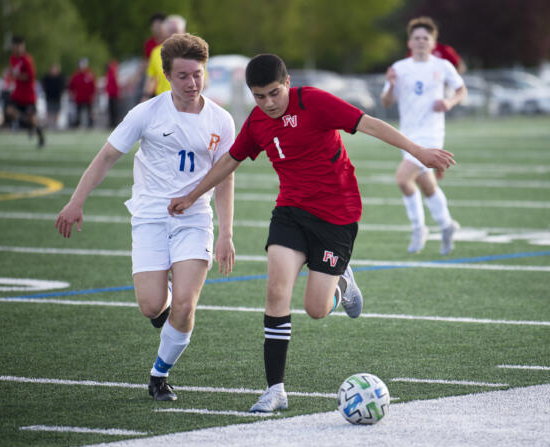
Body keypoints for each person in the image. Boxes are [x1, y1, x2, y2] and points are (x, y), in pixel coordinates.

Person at [167, 53, 455, 412]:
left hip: (338, 213)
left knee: (316, 309)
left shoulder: (313, 101)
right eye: (259, 96)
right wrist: (193, 195)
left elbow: (369, 124)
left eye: (274, 93)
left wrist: (418, 151)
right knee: (276, 292)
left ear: (287, 83)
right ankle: (275, 390)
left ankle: (341, 283)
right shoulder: (257, 122)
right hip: (291, 212)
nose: (268, 103)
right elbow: (230, 161)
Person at [55, 33, 236, 402]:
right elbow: (106, 156)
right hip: (150, 217)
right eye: (183, 76)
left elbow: (224, 178)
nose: (192, 83)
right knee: (153, 306)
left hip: (195, 220)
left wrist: (226, 233)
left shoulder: (222, 120)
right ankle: (166, 313)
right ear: (167, 75)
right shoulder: (147, 112)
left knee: (185, 304)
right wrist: (76, 201)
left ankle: (159, 374)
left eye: (198, 74)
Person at [381, 17, 467, 255]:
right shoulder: (399, 68)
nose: (420, 41)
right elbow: (387, 102)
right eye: (416, 38)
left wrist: (449, 101)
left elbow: (461, 89)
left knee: (402, 179)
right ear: (410, 42)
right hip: (408, 134)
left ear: (433, 43)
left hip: (431, 134)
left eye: (425, 38)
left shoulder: (442, 66)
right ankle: (447, 225)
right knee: (427, 184)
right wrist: (389, 85)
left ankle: (419, 228)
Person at [6, 35, 44, 147]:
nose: (17, 49)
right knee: (9, 111)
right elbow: (13, 74)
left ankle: (40, 135)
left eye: (19, 46)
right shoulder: (12, 58)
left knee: (32, 119)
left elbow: (31, 76)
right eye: (15, 46)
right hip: (17, 94)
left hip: (28, 95)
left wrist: (17, 76)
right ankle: (28, 125)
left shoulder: (27, 60)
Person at [143, 14, 188, 100]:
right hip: (163, 101)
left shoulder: (193, 51)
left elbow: (203, 82)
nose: (173, 34)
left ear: (184, 32)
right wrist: (145, 97)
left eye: (176, 30)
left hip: (186, 102)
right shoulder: (156, 52)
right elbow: (151, 78)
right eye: (170, 31)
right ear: (165, 32)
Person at [68, 58, 96, 128]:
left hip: (88, 98)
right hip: (79, 98)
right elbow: (71, 86)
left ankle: (90, 125)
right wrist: (71, 94)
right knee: (78, 112)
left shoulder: (90, 75)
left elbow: (93, 86)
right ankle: (77, 124)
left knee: (89, 112)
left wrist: (93, 95)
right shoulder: (75, 76)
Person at [41, 63, 65, 130]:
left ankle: (55, 125)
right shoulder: (47, 77)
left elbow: (63, 86)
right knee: (49, 112)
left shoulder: (60, 77)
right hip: (49, 97)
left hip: (57, 98)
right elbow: (43, 85)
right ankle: (48, 125)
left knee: (56, 112)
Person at [105, 60, 121, 128]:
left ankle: (114, 123)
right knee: (112, 110)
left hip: (113, 94)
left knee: (114, 110)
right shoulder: (110, 73)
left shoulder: (112, 73)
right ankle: (112, 123)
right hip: (111, 94)